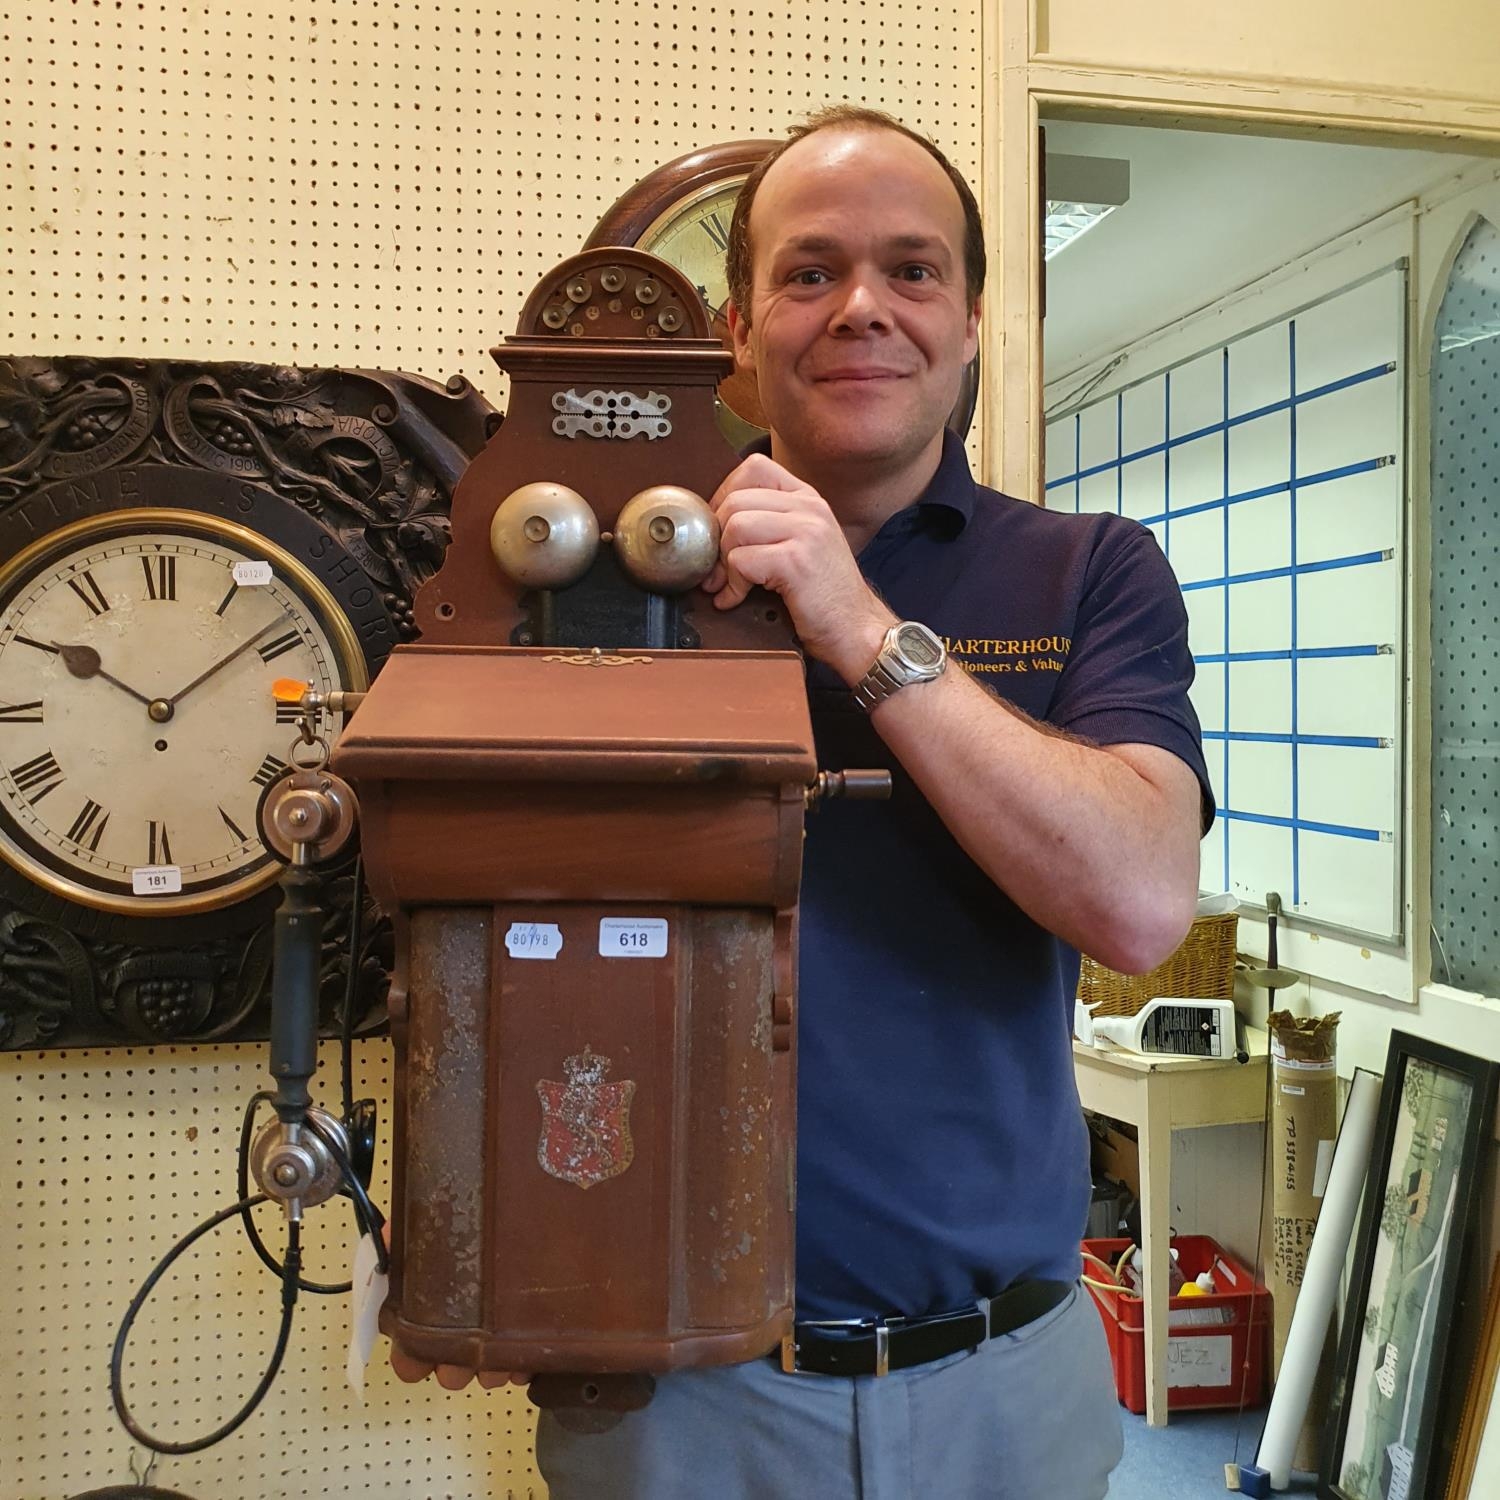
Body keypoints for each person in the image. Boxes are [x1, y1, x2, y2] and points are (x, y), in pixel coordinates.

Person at [400, 105, 1213, 1499]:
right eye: (811, 271)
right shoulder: (587, 570)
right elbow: (463, 896)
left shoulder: (1092, 571)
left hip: (1004, 1387)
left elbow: (1140, 904)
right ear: (738, 328)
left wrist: (859, 625)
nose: (862, 309)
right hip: (675, 1397)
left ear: (971, 323)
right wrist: (467, 1220)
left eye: (913, 270)